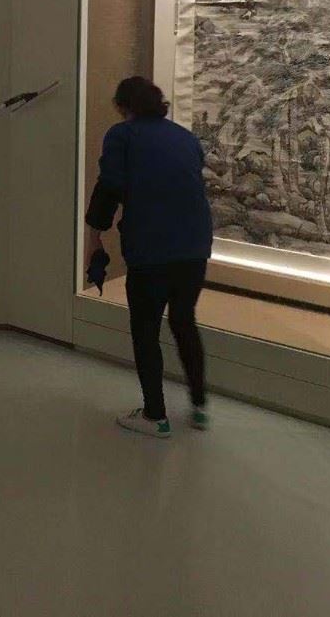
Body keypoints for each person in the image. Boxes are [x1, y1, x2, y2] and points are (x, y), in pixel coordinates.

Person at [85, 76, 213, 439]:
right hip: (195, 245)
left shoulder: (122, 135)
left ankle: (155, 415)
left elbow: (110, 185)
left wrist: (95, 238)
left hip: (151, 246)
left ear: (123, 106)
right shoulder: (185, 137)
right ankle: (199, 406)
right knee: (184, 321)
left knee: (145, 330)